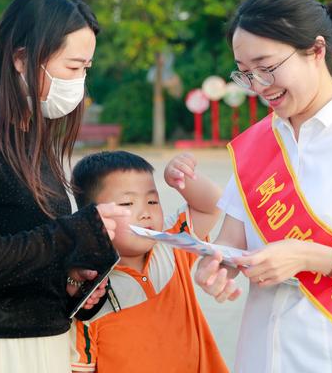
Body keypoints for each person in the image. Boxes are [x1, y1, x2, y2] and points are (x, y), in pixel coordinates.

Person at [0, 0, 130, 373]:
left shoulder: (33, 137)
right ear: (21, 58)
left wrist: (72, 282)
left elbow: (25, 252)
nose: (80, 82)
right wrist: (72, 235)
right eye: (72, 67)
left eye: (86, 68)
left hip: (45, 349)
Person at [194, 0, 332, 373]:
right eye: (246, 73)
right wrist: (216, 266)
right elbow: (231, 242)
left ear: (317, 50)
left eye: (267, 67)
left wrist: (310, 257)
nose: (258, 85)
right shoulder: (255, 145)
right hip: (261, 356)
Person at [69, 150, 229, 373]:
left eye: (152, 200)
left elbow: (213, 206)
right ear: (93, 219)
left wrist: (182, 179)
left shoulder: (172, 247)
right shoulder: (89, 296)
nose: (146, 213)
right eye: (127, 204)